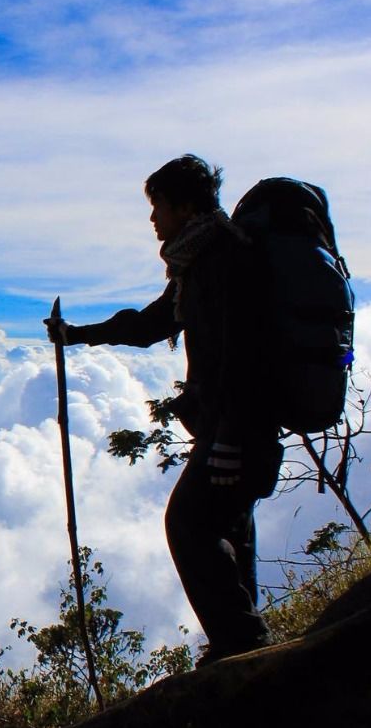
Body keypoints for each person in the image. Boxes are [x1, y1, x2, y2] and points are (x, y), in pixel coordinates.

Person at [46, 154, 279, 665]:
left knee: (190, 525)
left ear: (185, 206)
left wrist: (229, 439)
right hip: (235, 430)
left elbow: (244, 354)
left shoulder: (223, 262)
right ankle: (248, 646)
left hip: (236, 431)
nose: (153, 220)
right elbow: (152, 323)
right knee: (228, 529)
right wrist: (78, 336)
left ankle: (242, 648)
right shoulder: (201, 263)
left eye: (159, 208)